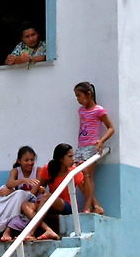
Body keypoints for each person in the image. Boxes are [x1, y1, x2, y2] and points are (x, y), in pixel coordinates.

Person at [0, 146, 57, 242]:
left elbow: (33, 193)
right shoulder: (16, 171)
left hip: (34, 202)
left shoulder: (38, 171)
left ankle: (5, 230)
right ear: (19, 161)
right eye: (26, 160)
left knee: (19, 195)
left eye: (32, 160)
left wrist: (12, 191)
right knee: (2, 191)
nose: (30, 163)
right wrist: (23, 180)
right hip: (19, 203)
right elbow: (9, 183)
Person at [73, 81, 114, 215]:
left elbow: (111, 128)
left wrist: (101, 141)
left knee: (88, 175)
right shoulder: (81, 111)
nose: (78, 99)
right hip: (81, 147)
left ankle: (87, 206)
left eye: (79, 96)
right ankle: (96, 205)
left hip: (92, 146)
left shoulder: (99, 110)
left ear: (88, 94)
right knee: (78, 176)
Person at [36, 143, 84, 236]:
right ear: (61, 159)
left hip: (68, 206)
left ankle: (31, 231)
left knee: (47, 197)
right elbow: (39, 187)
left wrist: (91, 205)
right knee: (26, 206)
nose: (73, 159)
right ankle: (47, 230)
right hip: (52, 203)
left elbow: (85, 191)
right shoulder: (48, 169)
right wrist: (41, 189)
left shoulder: (74, 172)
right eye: (70, 156)